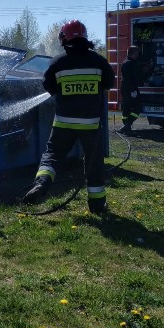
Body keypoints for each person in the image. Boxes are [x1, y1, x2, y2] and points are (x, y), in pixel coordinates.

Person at [23, 20, 115, 214]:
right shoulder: (98, 61)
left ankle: (42, 184)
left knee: (52, 156)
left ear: (64, 38)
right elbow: (109, 83)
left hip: (63, 123)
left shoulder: (58, 62)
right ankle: (97, 206)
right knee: (93, 163)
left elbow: (48, 87)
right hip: (90, 124)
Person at [118, 45, 150, 135]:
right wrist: (145, 71)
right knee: (137, 108)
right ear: (134, 53)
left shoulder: (125, 62)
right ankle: (127, 126)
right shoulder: (131, 64)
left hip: (125, 89)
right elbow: (134, 77)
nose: (138, 55)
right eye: (137, 53)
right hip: (131, 89)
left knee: (126, 109)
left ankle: (126, 127)